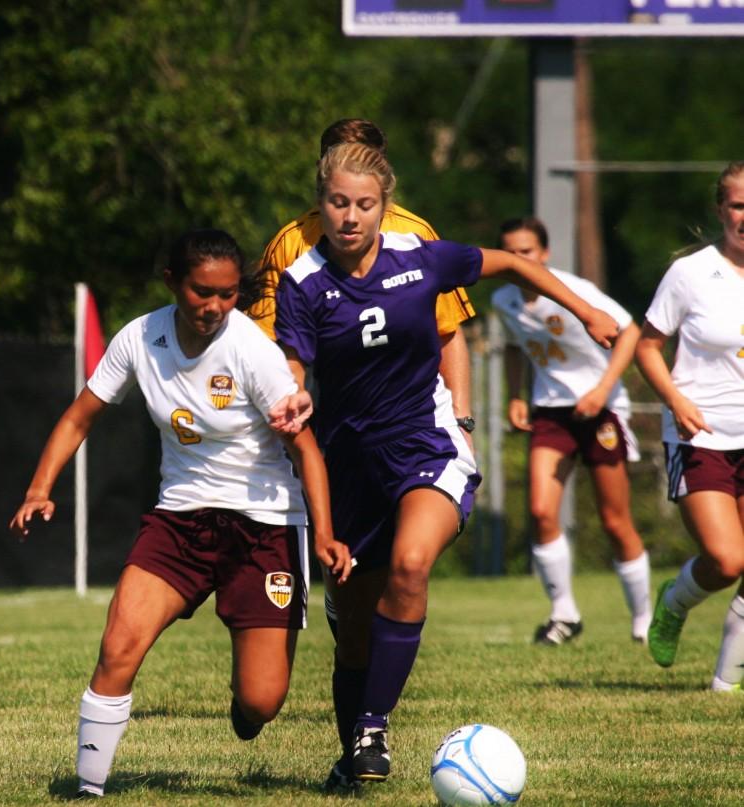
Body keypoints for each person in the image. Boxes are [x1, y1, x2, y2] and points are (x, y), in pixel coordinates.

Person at [272, 142, 619, 789]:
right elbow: (294, 363)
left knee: (411, 563)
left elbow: (514, 263)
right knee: (351, 634)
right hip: (348, 461)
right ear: (320, 203)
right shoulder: (302, 283)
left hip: (424, 443)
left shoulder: (421, 258)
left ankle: (374, 725)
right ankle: (355, 756)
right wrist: (292, 390)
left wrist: (587, 310)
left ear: (384, 206)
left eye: (365, 204)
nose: (350, 216)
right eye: (338, 202)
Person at [9, 229, 352, 798]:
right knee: (118, 646)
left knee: (261, 699)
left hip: (263, 529)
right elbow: (79, 417)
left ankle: (247, 705)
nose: (215, 307)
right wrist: (38, 489)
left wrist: (324, 536)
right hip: (181, 521)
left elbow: (305, 448)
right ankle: (88, 788)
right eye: (202, 292)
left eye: (227, 294)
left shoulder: (251, 350)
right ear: (172, 282)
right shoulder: (140, 338)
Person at [250, 119, 476, 433]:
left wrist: (462, 419)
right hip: (327, 423)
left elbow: (447, 333)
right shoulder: (291, 243)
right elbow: (263, 344)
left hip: (416, 427)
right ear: (321, 172)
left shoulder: (416, 236)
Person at [492, 216, 652, 645]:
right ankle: (564, 614)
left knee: (615, 521)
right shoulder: (504, 299)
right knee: (542, 512)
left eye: (526, 252)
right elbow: (512, 346)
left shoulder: (571, 290)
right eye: (509, 252)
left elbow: (630, 330)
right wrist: (515, 394)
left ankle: (643, 618)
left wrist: (602, 390)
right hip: (551, 412)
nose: (517, 259)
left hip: (600, 411)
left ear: (543, 254)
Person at [635, 161, 744, 693]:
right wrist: (675, 399)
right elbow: (647, 346)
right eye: (739, 204)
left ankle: (727, 683)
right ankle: (673, 604)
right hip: (701, 436)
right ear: (720, 210)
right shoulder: (691, 273)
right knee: (726, 560)